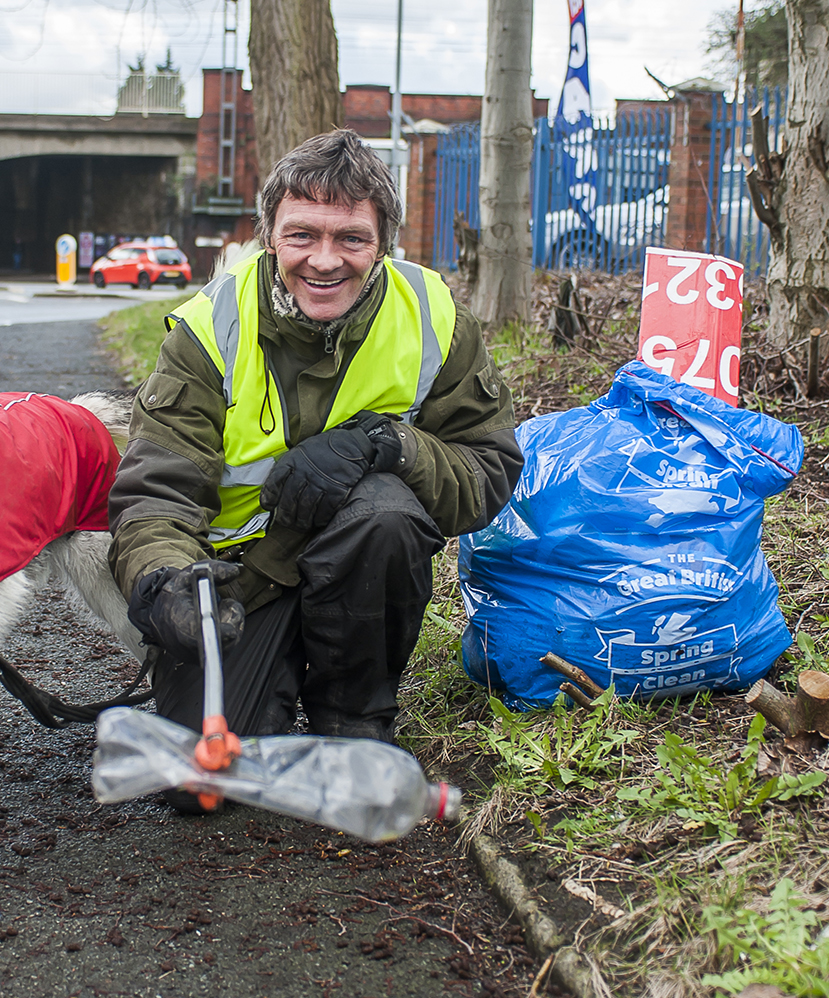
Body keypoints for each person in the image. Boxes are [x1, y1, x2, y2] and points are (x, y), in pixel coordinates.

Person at [108, 129, 523, 811]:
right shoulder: (210, 329)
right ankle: (269, 669)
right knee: (196, 787)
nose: (324, 261)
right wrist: (167, 583)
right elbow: (157, 490)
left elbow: (487, 471)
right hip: (246, 586)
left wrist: (393, 447)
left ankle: (353, 719)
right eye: (302, 235)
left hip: (356, 559)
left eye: (352, 239)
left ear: (384, 242)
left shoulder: (433, 316)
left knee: (387, 511)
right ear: (269, 234)